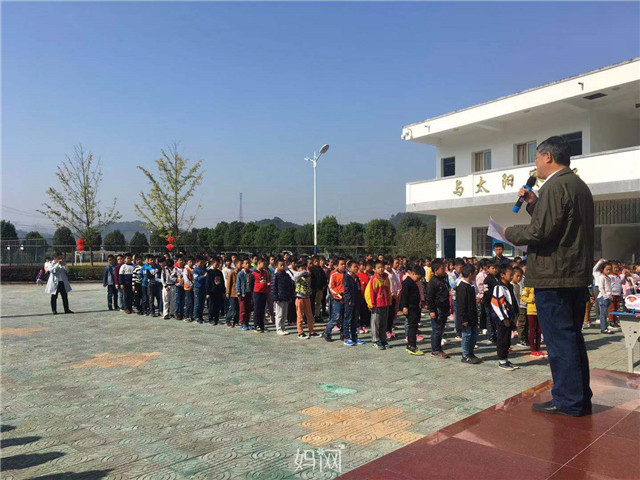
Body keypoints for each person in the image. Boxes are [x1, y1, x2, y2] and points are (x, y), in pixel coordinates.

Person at [505, 135, 594, 417]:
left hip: (554, 275)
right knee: (572, 338)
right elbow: (559, 225)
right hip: (573, 275)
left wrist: (507, 232)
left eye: (536, 158)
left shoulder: (555, 186)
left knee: (559, 341)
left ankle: (568, 401)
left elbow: (540, 232)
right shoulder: (577, 185)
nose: (535, 165)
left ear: (548, 157)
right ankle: (579, 397)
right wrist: (534, 203)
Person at [490, 265, 519, 371]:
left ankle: (506, 359)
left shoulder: (509, 286)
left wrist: (516, 313)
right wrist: (504, 318)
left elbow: (513, 300)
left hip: (509, 317)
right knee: (502, 339)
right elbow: (497, 303)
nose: (512, 277)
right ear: (502, 275)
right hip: (503, 319)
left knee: (507, 339)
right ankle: (502, 360)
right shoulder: (499, 287)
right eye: (510, 275)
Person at [456, 263, 482, 364]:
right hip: (466, 317)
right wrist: (464, 319)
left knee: (474, 335)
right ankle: (465, 354)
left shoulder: (470, 285)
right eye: (475, 273)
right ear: (470, 274)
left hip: (472, 315)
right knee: (466, 335)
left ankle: (471, 353)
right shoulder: (462, 287)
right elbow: (461, 305)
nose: (476, 275)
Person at [365, 260, 392, 350]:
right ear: (375, 269)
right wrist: (371, 304)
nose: (381, 269)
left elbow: (388, 291)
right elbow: (368, 293)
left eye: (382, 267)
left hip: (385, 304)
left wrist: (389, 301)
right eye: (378, 267)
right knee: (375, 323)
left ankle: (383, 339)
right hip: (376, 305)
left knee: (384, 323)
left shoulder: (386, 279)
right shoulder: (373, 279)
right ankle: (375, 341)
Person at [426, 259, 450, 359]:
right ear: (436, 270)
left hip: (444, 308)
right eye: (442, 268)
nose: (444, 270)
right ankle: (435, 350)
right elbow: (429, 297)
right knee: (436, 329)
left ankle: (439, 348)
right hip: (437, 309)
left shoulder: (443, 279)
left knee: (440, 330)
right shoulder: (433, 282)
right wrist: (432, 310)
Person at [400, 264, 424, 356]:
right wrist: (404, 306)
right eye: (418, 277)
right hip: (410, 308)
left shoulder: (413, 282)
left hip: (415, 307)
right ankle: (411, 345)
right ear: (413, 273)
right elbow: (404, 296)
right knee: (412, 327)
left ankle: (411, 344)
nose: (419, 280)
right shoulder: (407, 282)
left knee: (414, 326)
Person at [324, 258, 346, 341]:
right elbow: (331, 287)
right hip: (337, 299)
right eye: (341, 264)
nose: (343, 266)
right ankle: (327, 332)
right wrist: (339, 295)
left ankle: (343, 334)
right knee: (336, 317)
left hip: (345, 299)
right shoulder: (334, 275)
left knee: (344, 317)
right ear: (336, 266)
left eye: (344, 264)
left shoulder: (347, 275)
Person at [293, 260, 316, 339]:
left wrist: (307, 274)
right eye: (301, 268)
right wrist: (303, 272)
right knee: (300, 316)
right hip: (299, 298)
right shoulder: (297, 274)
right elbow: (295, 277)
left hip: (307, 297)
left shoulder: (307, 275)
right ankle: (300, 332)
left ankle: (311, 331)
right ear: (298, 268)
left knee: (310, 316)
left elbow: (309, 283)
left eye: (304, 268)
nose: (303, 270)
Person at [343, 260, 364, 346]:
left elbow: (359, 289)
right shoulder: (346, 277)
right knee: (347, 319)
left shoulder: (356, 277)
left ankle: (354, 336)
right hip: (350, 302)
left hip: (357, 301)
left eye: (357, 266)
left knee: (354, 320)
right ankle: (346, 337)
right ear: (349, 268)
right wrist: (349, 300)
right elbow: (346, 290)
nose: (356, 268)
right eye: (354, 266)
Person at [521, 286, 544, 357]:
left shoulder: (540, 286)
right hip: (531, 311)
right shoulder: (528, 286)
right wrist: (531, 299)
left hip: (540, 310)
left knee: (539, 331)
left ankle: (538, 349)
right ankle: (533, 350)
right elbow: (523, 297)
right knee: (532, 330)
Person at [272, 258, 293, 335]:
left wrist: (290, 296)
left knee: (284, 314)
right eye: (281, 265)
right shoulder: (276, 276)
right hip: (279, 298)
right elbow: (274, 287)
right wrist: (276, 298)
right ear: (277, 266)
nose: (283, 267)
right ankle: (278, 329)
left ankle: (283, 327)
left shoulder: (287, 275)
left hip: (286, 297)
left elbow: (290, 287)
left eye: (284, 265)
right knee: (279, 314)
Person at [595, 261, 615, 334]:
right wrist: (605, 296)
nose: (609, 271)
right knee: (603, 314)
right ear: (602, 269)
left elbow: (609, 287)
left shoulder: (608, 277)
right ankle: (603, 328)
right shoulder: (601, 277)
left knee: (605, 314)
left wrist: (610, 296)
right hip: (603, 297)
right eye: (607, 269)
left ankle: (605, 327)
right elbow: (601, 287)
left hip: (608, 297)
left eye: (610, 269)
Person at [251, 258, 269, 333]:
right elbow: (251, 284)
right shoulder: (254, 273)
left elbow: (266, 280)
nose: (264, 266)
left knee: (262, 310)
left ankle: (262, 325)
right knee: (257, 310)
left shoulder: (265, 273)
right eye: (263, 264)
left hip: (264, 292)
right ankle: (256, 325)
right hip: (256, 293)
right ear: (259, 264)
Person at [206, 258, 225, 325]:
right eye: (216, 264)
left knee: (217, 306)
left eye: (218, 264)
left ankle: (216, 318)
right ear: (212, 264)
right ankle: (210, 318)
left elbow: (222, 282)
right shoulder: (209, 272)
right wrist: (208, 292)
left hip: (218, 292)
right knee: (211, 306)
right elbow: (207, 283)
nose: (217, 265)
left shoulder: (219, 272)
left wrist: (223, 291)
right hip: (212, 292)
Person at [236, 258, 253, 331]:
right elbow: (238, 284)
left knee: (248, 309)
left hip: (249, 293)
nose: (248, 265)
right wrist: (239, 293)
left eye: (249, 263)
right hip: (243, 294)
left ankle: (247, 322)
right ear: (242, 265)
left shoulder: (251, 273)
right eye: (246, 263)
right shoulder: (240, 274)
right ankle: (242, 323)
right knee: (243, 310)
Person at [225, 258, 241, 327]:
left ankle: (236, 321)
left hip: (239, 293)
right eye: (240, 264)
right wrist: (227, 292)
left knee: (238, 308)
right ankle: (228, 320)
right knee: (233, 308)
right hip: (233, 293)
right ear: (236, 265)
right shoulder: (232, 273)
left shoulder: (241, 273)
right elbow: (228, 283)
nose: (241, 265)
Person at [192, 257, 208, 324]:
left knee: (202, 303)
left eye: (202, 262)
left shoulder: (204, 269)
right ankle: (196, 317)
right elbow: (196, 278)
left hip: (203, 288)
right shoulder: (195, 270)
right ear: (197, 262)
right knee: (197, 303)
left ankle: (201, 316)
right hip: (198, 288)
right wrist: (203, 276)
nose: (202, 264)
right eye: (200, 262)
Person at [183, 257, 194, 322]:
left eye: (192, 262)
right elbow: (185, 279)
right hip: (188, 287)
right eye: (190, 262)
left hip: (193, 288)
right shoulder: (186, 269)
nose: (191, 263)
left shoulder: (193, 269)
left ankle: (191, 315)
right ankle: (187, 315)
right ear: (187, 262)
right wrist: (191, 284)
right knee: (189, 302)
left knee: (192, 302)